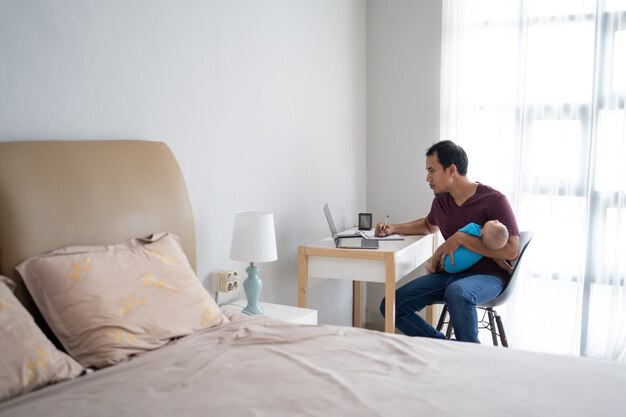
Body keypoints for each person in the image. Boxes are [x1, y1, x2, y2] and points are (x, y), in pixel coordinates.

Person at [376, 140, 519, 343]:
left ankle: (468, 357)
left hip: (488, 276)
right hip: (451, 275)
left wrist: (463, 239)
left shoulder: (494, 200)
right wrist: (393, 228)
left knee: (458, 292)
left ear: (451, 170)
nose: (428, 178)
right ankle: (446, 349)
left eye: (432, 170)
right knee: (392, 305)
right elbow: (428, 225)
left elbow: (512, 251)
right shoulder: (441, 202)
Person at [441, 220, 512, 274]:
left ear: (482, 233)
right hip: (454, 270)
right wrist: (509, 269)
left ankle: (432, 266)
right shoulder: (487, 250)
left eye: (495, 223)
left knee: (440, 251)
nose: (497, 220)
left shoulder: (473, 227)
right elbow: (499, 260)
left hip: (447, 259)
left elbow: (455, 237)